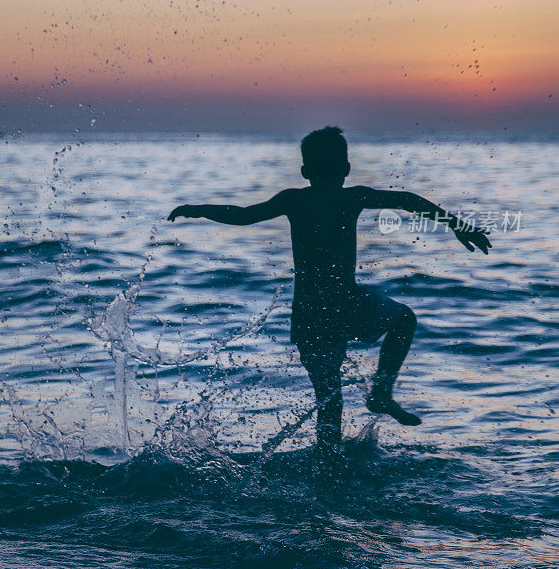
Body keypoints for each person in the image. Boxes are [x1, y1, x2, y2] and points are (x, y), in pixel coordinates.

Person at [168, 126, 491, 459]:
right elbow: (406, 201)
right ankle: (379, 393)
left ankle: (329, 460)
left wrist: (200, 209)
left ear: (305, 171)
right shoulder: (351, 197)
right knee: (403, 320)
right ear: (347, 169)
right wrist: (456, 224)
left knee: (329, 398)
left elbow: (244, 215)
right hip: (345, 303)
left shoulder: (295, 199)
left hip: (312, 311)